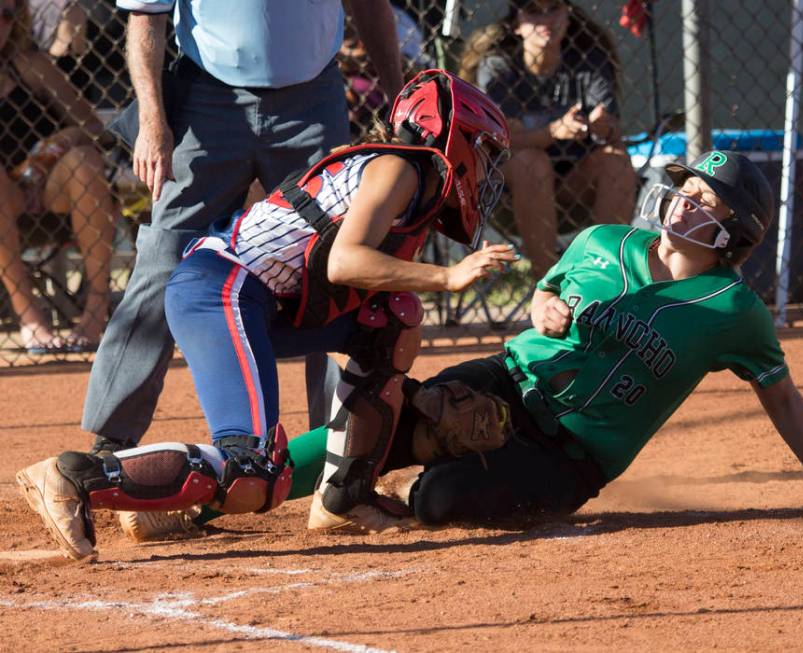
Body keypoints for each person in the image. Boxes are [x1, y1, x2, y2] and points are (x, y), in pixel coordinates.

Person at [51, 150, 803, 551]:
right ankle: (196, 495)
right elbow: (545, 295)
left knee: (442, 498)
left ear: (732, 233)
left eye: (708, 199)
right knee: (375, 427)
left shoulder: (733, 308)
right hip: (509, 381)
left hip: (574, 452)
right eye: (689, 186)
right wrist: (544, 303)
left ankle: (422, 486)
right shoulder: (600, 239)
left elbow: (785, 401)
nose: (687, 197)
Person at [17, 69, 518, 560]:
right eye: (482, 150)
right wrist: (446, 277)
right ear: (448, 134)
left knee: (392, 316)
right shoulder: (399, 167)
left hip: (264, 302)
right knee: (253, 473)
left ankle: (345, 495)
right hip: (222, 290)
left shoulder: (413, 182)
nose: (485, 169)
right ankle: (76, 475)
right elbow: (347, 262)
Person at [80, 0, 405, 456]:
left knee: (333, 263)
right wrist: (153, 121)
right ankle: (111, 437)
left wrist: (396, 93)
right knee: (163, 256)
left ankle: (339, 444)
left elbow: (370, 8)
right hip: (207, 102)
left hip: (313, 100)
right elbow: (145, 18)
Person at [460, 0, 637, 278]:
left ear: (567, 14)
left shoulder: (588, 59)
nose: (546, 20)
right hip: (508, 193)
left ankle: (604, 278)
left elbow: (609, 127)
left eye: (553, 8)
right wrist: (553, 132)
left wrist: (604, 127)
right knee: (532, 161)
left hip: (573, 186)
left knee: (616, 160)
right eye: (533, 11)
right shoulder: (499, 66)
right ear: (517, 24)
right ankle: (547, 283)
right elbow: (503, 139)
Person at [1, 0, 116, 353]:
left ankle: (97, 308)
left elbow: (95, 129)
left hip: (49, 180)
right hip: (4, 193)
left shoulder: (27, 65)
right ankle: (30, 316)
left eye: (7, 15)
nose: (1, 24)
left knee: (83, 159)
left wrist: (60, 141)